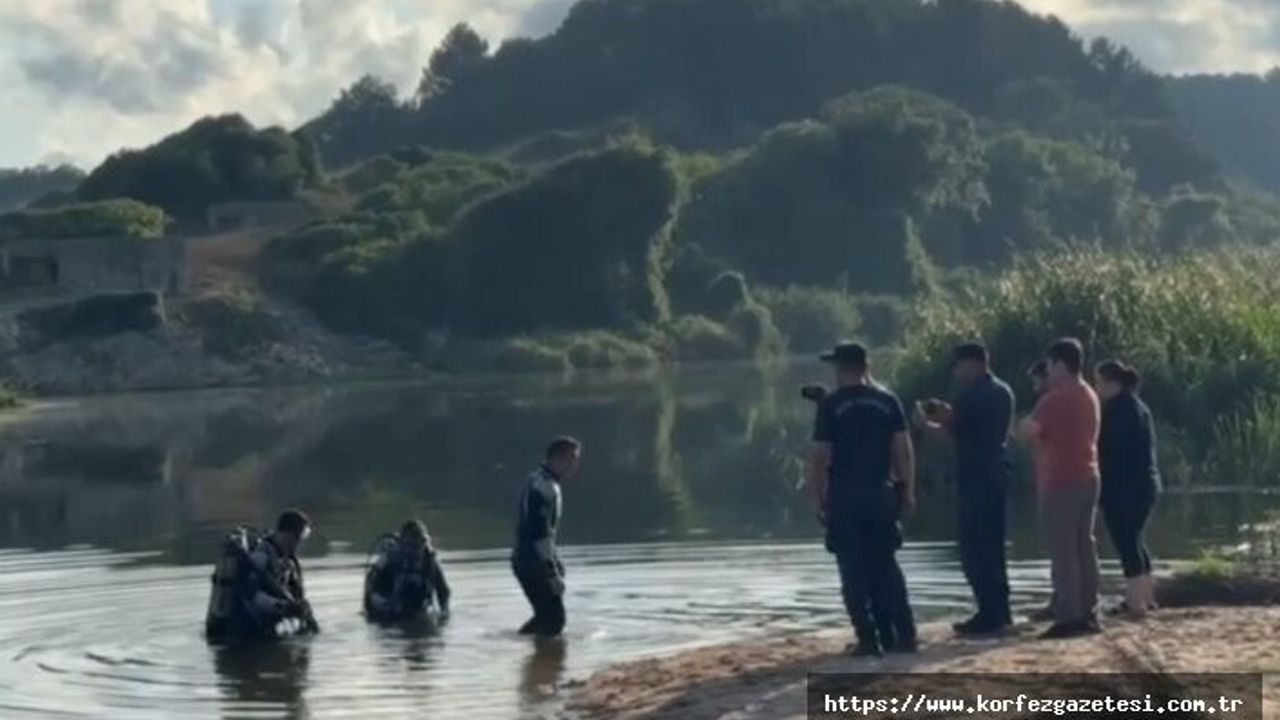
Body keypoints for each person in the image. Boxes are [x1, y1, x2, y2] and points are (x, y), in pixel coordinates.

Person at [808, 342, 918, 657]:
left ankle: (869, 640)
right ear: (866, 367)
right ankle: (905, 636)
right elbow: (903, 449)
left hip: (845, 500)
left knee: (852, 570)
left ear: (842, 369)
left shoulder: (831, 405)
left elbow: (819, 456)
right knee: (886, 567)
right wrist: (907, 489)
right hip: (881, 496)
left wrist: (818, 499)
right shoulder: (887, 401)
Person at [915, 343, 1015, 635]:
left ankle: (988, 613)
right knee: (993, 547)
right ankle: (1001, 611)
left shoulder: (971, 395)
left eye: (959, 365)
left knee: (974, 549)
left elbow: (955, 437)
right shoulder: (1002, 391)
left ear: (974, 363)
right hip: (997, 473)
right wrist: (948, 416)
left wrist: (926, 425)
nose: (956, 371)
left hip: (976, 477)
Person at [1019, 338, 1102, 639]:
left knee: (1063, 550)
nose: (1049, 371)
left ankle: (1068, 615)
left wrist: (1025, 420)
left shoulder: (1055, 398)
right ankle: (1088, 610)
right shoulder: (1089, 393)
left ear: (1061, 364)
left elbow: (1028, 432)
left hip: (1061, 481)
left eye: (1051, 365)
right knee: (1084, 547)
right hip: (1089, 476)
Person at [1095, 360, 1162, 617]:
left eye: (1099, 382)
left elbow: (1111, 452)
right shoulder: (1138, 406)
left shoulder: (1118, 410)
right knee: (1135, 540)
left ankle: (1135, 602)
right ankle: (1146, 597)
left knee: (1126, 542)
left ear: (1113, 384)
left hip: (1125, 488)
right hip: (1145, 485)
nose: (1097, 388)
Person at [206, 509, 318, 643]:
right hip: (243, 634)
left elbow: (294, 593)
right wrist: (283, 607)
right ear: (286, 534)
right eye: (298, 537)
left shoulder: (287, 560)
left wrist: (300, 608)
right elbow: (250, 594)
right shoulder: (261, 556)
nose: (298, 543)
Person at [512, 436, 580, 637]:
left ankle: (530, 651)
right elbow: (540, 534)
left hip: (527, 559)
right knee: (555, 619)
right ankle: (542, 661)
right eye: (572, 458)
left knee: (546, 617)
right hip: (530, 561)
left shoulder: (540, 481)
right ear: (556, 458)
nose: (574, 464)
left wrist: (555, 561)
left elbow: (542, 533)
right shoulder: (544, 487)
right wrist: (551, 574)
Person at [364, 519, 451, 623]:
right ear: (402, 544)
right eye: (411, 545)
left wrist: (444, 616)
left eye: (421, 543)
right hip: (387, 606)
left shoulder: (430, 562)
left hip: (416, 607)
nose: (417, 550)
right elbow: (371, 590)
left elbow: (443, 592)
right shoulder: (390, 560)